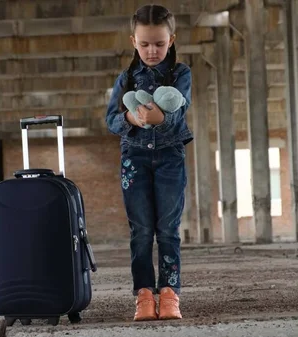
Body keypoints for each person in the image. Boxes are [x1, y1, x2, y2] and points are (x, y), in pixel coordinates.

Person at [105, 4, 193, 321]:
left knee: (168, 230)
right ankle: (143, 294)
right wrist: (130, 117)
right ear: (133, 41)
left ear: (171, 40)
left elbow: (178, 113)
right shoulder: (126, 78)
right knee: (141, 231)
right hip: (134, 159)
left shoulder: (181, 74)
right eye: (144, 44)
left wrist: (160, 118)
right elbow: (110, 119)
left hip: (170, 157)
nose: (152, 51)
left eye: (159, 43)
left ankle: (169, 294)